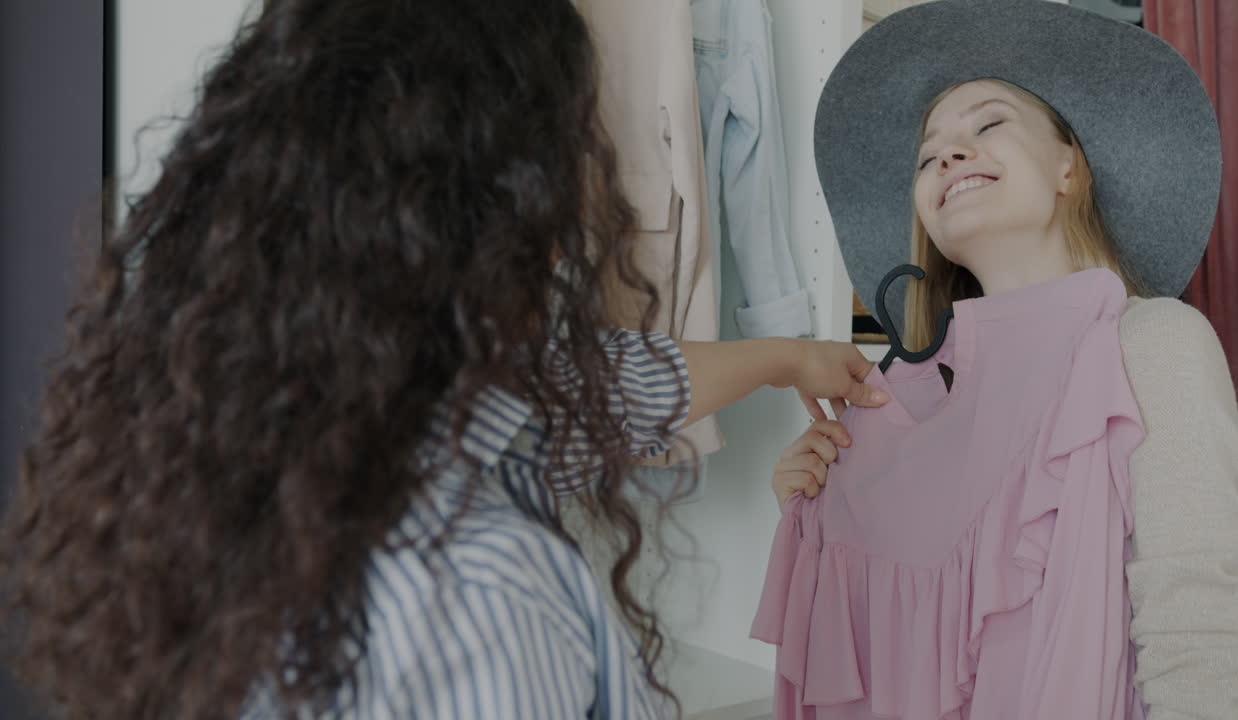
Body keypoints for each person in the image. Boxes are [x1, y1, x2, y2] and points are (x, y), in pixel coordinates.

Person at [0, 1, 887, 718]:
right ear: (516, 195)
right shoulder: (474, 596)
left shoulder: (268, 446)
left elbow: (593, 382)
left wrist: (787, 355)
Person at [769, 2, 1238, 718]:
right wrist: (815, 512)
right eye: (927, 152)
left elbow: (1200, 626)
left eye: (989, 123)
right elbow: (878, 649)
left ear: (1070, 166)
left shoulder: (1153, 342)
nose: (948, 153)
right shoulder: (906, 408)